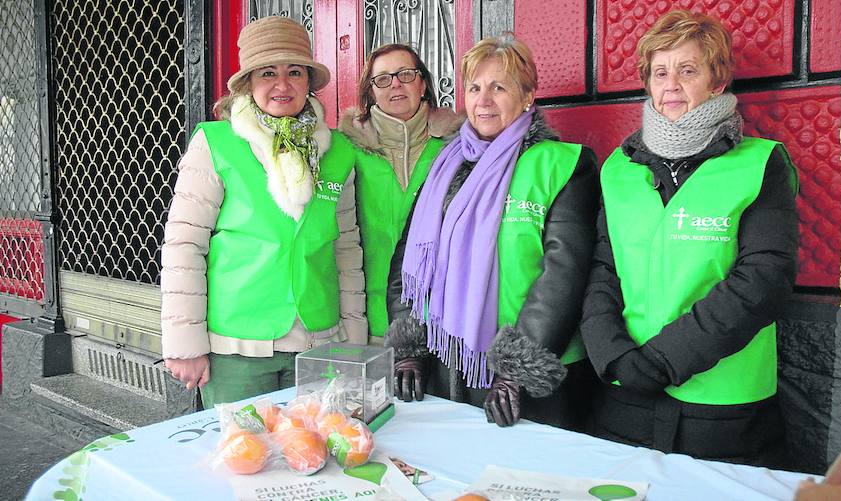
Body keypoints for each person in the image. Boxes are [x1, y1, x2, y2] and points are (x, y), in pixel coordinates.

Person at [581, 10, 798, 465]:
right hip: (627, 395)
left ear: (716, 81)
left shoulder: (760, 164)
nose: (671, 84)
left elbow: (764, 279)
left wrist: (664, 360)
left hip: (724, 408)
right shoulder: (618, 169)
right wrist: (613, 355)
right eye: (660, 72)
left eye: (688, 70)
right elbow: (603, 267)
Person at [384, 34, 599, 430]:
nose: (483, 100)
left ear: (528, 96)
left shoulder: (563, 164)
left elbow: (563, 275)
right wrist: (409, 347)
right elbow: (408, 262)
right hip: (447, 366)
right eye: (475, 87)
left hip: (525, 382)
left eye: (499, 87)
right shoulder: (444, 166)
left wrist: (518, 367)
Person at [160, 16, 367, 408]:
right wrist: (185, 344)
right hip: (237, 349)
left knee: (314, 458)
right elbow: (185, 245)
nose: (282, 85)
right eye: (268, 73)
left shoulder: (338, 150)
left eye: (295, 72)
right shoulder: (216, 143)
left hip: (319, 344)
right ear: (249, 83)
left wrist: (353, 341)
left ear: (309, 81)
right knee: (244, 461)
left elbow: (347, 250)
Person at [338, 44, 462, 342]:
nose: (395, 84)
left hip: (443, 323)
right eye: (382, 79)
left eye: (405, 74)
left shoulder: (456, 147)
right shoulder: (346, 151)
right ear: (371, 93)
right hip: (365, 322)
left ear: (423, 85)